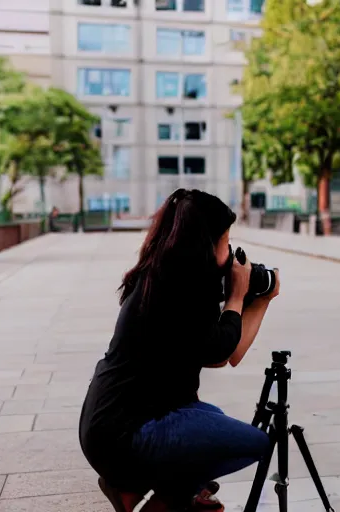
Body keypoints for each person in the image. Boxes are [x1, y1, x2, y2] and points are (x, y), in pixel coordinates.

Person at [79, 189, 279, 512]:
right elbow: (222, 348)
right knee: (255, 442)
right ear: (203, 244)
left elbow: (227, 354)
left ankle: (138, 487)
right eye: (226, 243)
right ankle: (156, 495)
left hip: (107, 426)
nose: (230, 255)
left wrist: (263, 298)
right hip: (124, 435)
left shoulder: (165, 277)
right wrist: (238, 296)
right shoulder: (179, 291)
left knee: (212, 419)